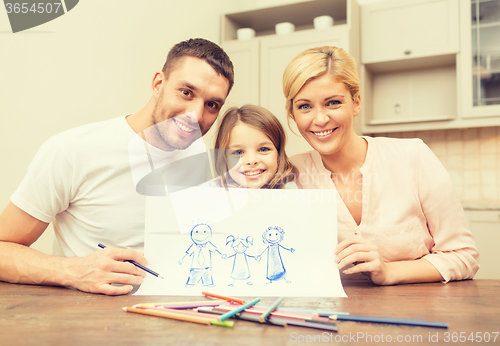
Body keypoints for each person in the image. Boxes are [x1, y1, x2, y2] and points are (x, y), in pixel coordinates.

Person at [0, 38, 234, 295]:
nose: (196, 115)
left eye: (212, 104)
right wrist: (73, 271)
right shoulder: (71, 151)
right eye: (186, 92)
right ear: (158, 83)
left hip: (177, 317)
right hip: (91, 323)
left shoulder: (200, 155)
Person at [282, 46, 479, 285]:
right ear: (292, 114)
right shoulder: (287, 175)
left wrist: (390, 272)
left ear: (356, 103)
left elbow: (464, 256)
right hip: (331, 316)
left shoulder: (413, 157)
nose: (320, 119)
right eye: (304, 106)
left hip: (417, 312)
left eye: (333, 103)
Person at [212, 104, 297, 189]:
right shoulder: (210, 194)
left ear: (278, 153)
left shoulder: (293, 191)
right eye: (239, 152)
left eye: (263, 149)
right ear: (224, 158)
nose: (252, 161)